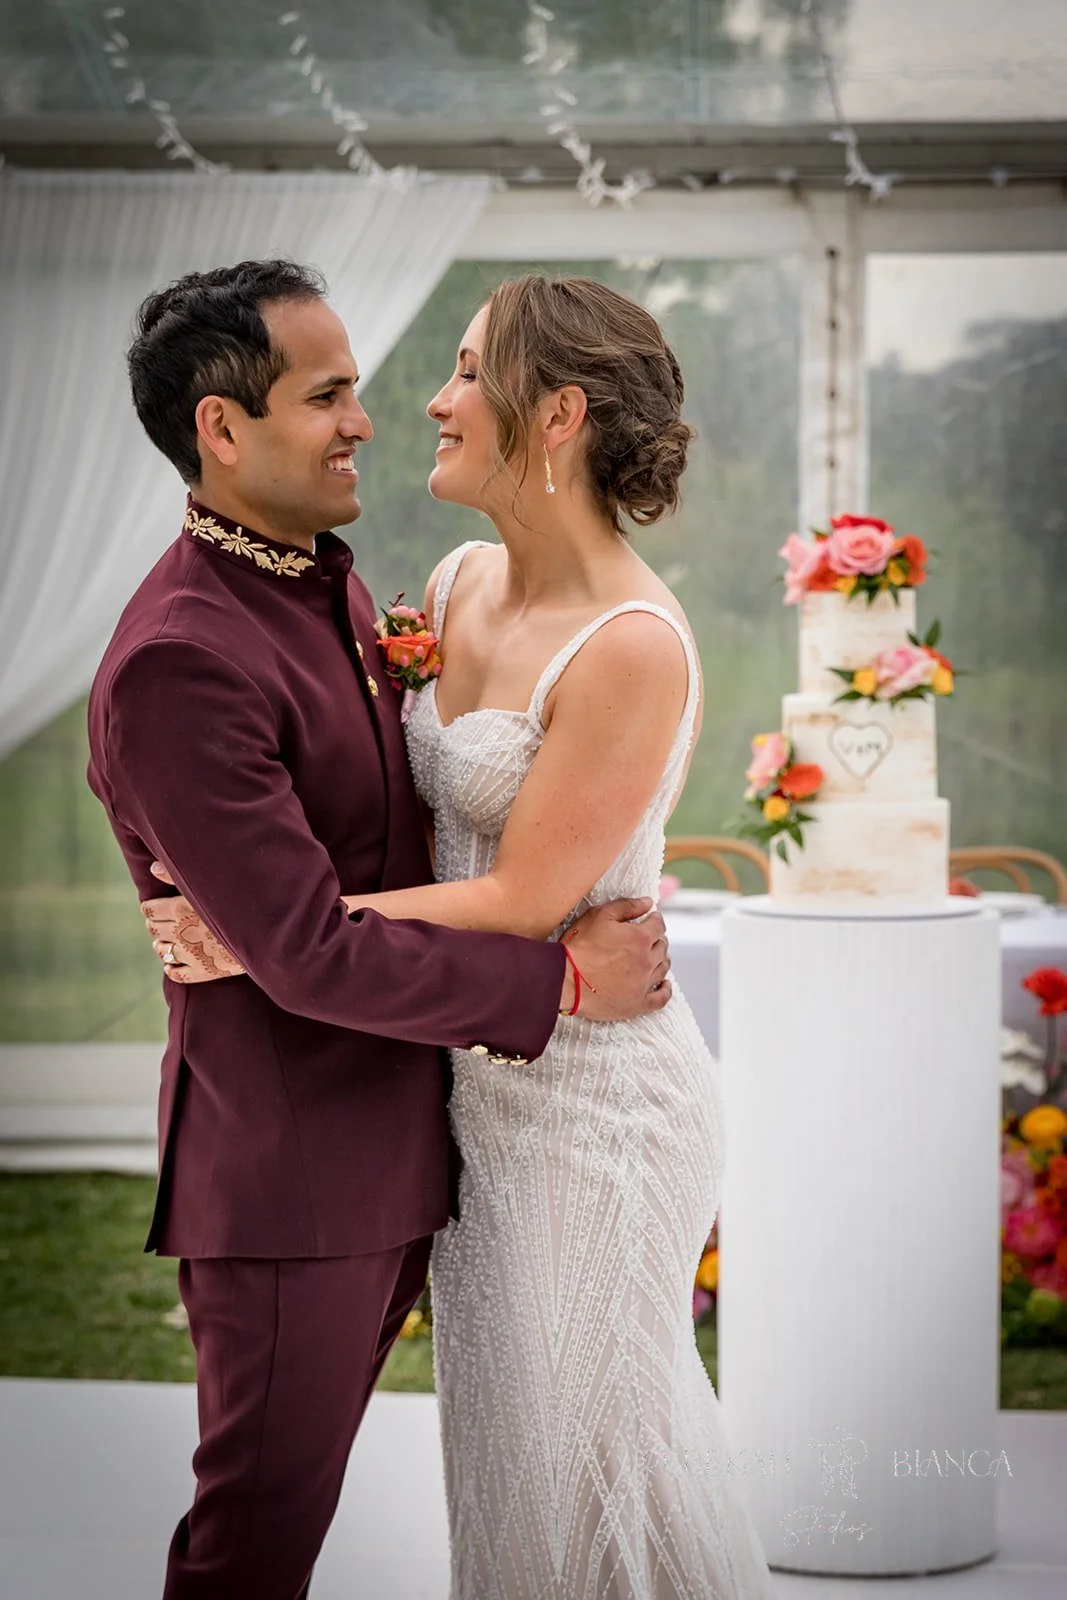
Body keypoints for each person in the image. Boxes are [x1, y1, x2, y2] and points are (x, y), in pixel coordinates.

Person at [143, 273, 776, 1599]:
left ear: (553, 416)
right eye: (345, 390)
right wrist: (280, 919)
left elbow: (520, 899)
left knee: (598, 1470)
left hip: (595, 1104)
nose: (421, 404)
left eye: (465, 371)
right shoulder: (446, 581)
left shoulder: (631, 645)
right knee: (509, 1476)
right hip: (476, 1102)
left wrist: (268, 932)